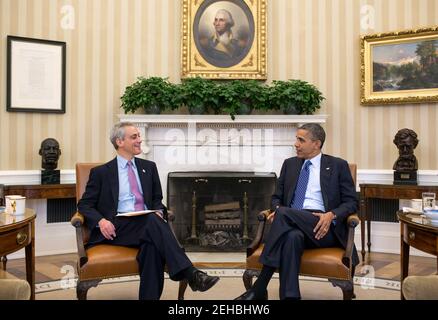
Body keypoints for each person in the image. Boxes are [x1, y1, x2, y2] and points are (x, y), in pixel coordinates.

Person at [77, 122, 219, 300]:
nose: (139, 140)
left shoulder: (148, 167)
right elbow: (84, 204)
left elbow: (156, 201)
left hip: (146, 226)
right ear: (120, 142)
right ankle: (190, 273)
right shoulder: (101, 173)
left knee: (151, 248)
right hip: (116, 228)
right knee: (152, 221)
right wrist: (101, 221)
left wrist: (159, 210)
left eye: (139, 136)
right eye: (134, 137)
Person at [235, 123, 358, 300]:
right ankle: (290, 297)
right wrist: (276, 209)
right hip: (291, 223)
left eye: (301, 140)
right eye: (296, 139)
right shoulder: (290, 164)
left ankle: (260, 286)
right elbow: (276, 198)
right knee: (292, 237)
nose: (296, 144)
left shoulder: (338, 165)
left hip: (323, 226)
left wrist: (331, 215)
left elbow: (352, 202)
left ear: (316, 143)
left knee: (284, 214)